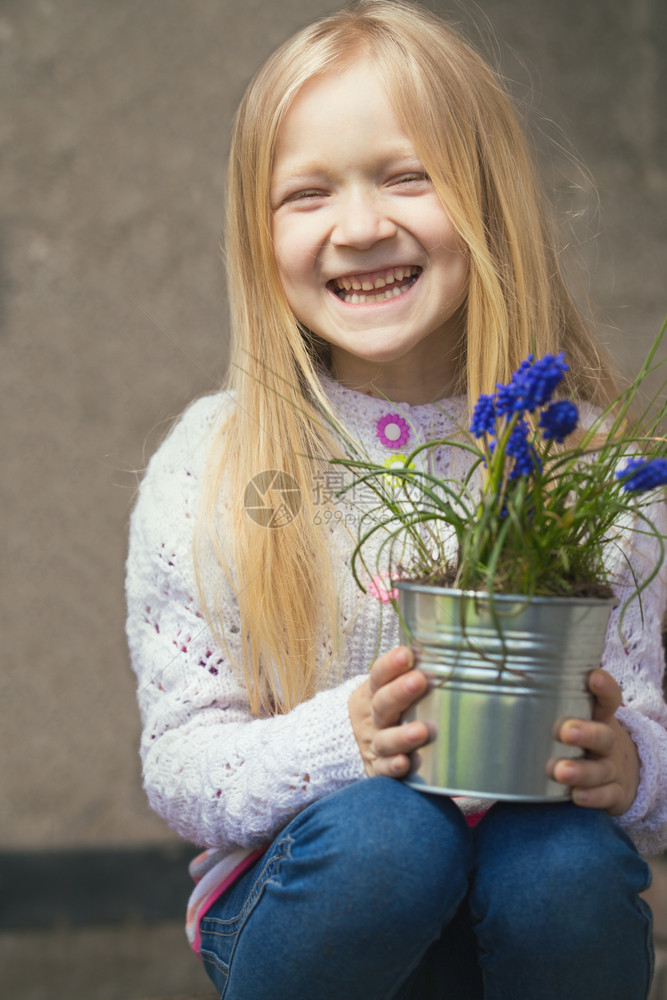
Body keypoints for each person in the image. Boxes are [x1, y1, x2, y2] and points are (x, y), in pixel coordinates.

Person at [125, 2, 667, 997]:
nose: (363, 225)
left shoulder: (590, 470)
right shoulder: (214, 460)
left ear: (489, 201)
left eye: (408, 176)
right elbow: (182, 763)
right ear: (258, 231)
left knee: (568, 864)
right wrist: (349, 739)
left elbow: (641, 714)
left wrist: (635, 766)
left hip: (518, 898)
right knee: (390, 835)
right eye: (307, 194)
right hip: (304, 898)